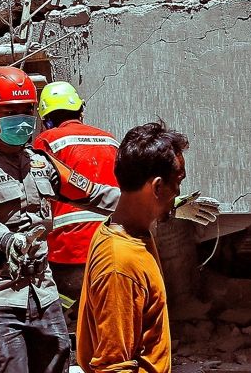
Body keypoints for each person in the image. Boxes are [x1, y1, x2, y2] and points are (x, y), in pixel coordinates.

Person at [0, 67, 219, 373]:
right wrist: (6, 240)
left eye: (27, 110)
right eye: (11, 112)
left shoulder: (41, 164)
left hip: (43, 292)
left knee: (59, 365)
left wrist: (166, 204)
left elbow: (94, 193)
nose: (22, 119)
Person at [76, 121, 201, 373]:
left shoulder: (131, 231)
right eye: (177, 182)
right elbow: (113, 367)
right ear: (156, 187)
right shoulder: (120, 262)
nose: (178, 191)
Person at [31, 82, 118, 319]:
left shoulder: (47, 140)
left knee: (58, 305)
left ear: (46, 119)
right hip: (112, 239)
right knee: (106, 307)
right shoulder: (109, 140)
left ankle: (70, 341)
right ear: (80, 110)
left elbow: (38, 188)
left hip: (69, 244)